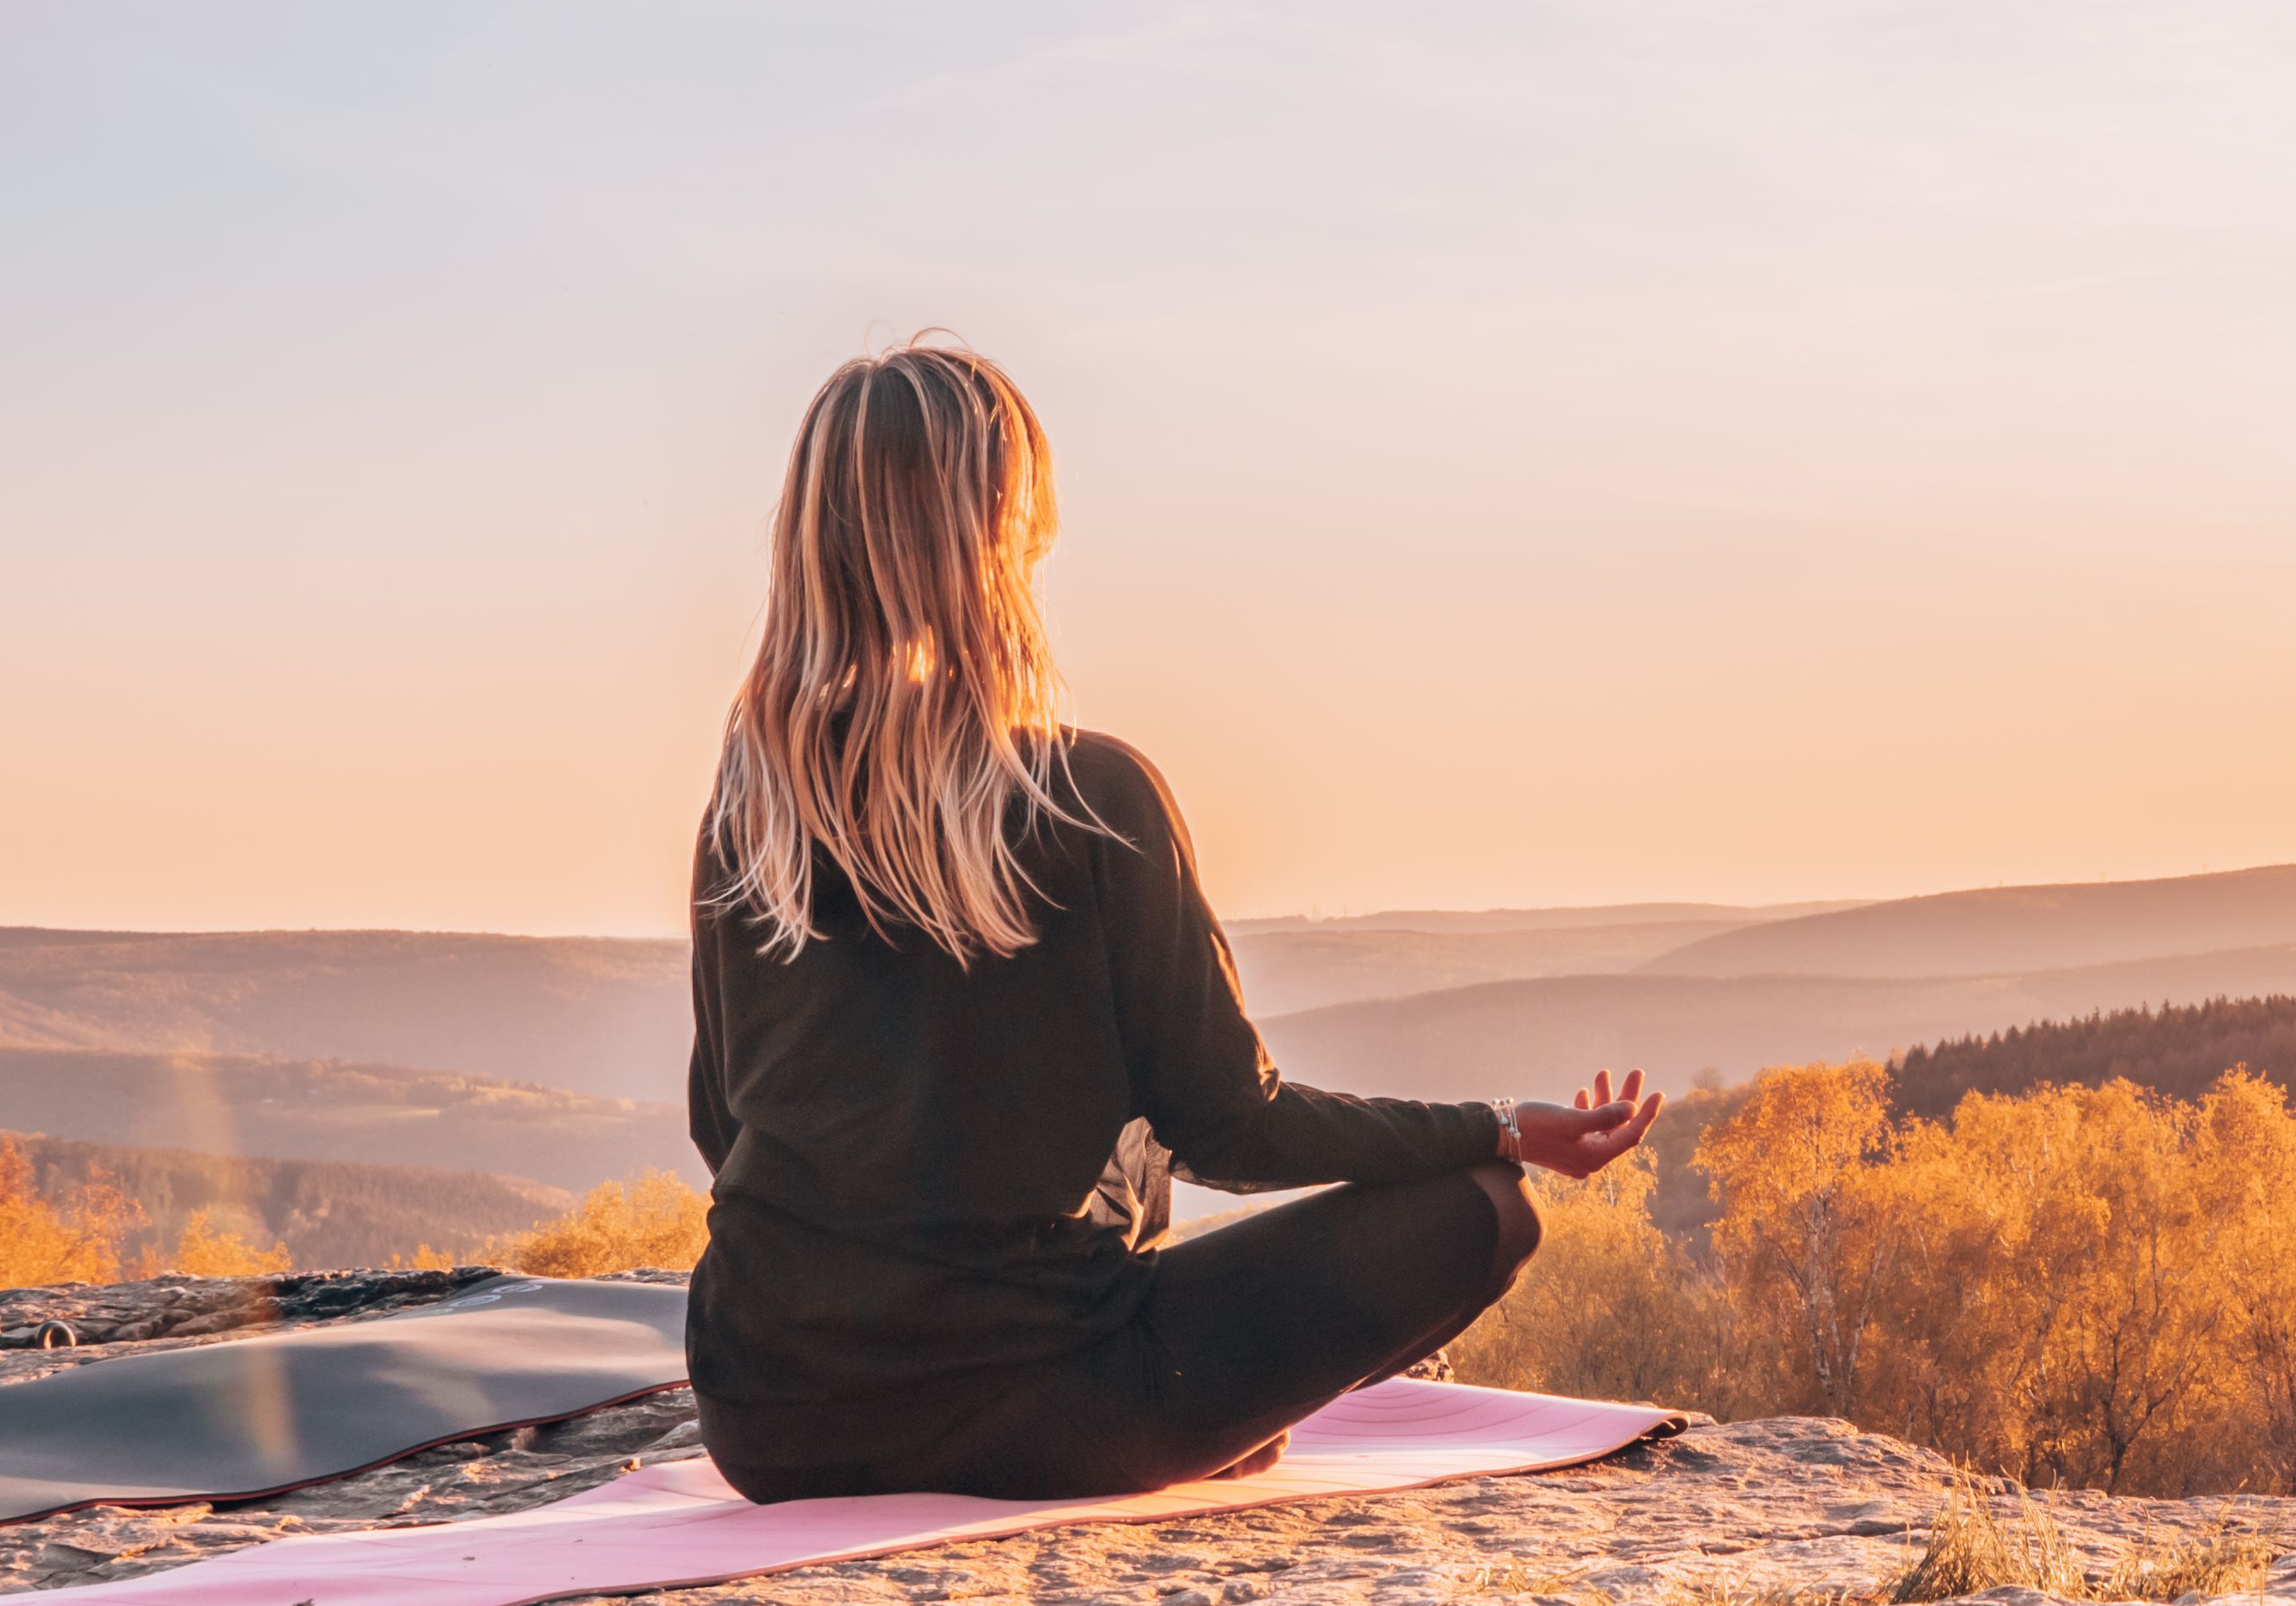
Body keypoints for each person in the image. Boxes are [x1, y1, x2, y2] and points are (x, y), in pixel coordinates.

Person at [676, 338, 1654, 1504]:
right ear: (996, 540)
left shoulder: (753, 817)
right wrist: (1498, 1127)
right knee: (1485, 1214)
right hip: (1050, 1407)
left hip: (769, 1420)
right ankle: (1195, 1427)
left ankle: (1188, 1421)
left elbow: (718, 1123)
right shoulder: (1087, 797)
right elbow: (1233, 1127)